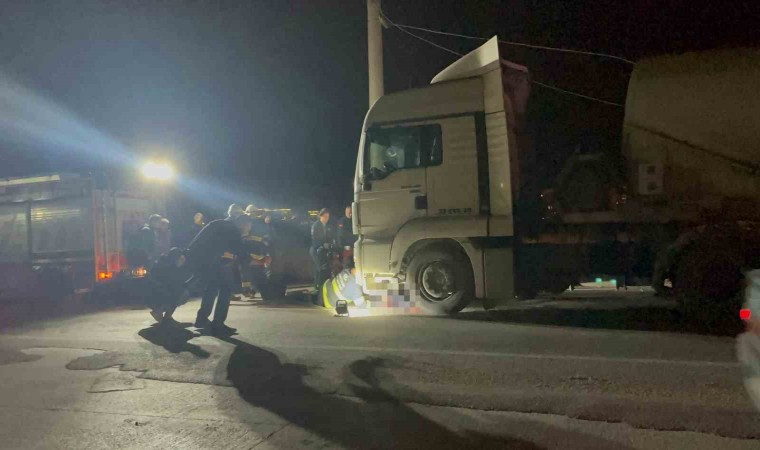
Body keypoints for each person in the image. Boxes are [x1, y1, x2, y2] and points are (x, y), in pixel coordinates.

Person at [186, 214, 252, 336]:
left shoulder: (222, 224)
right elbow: (241, 253)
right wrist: (260, 260)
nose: (249, 229)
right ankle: (218, 324)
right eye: (249, 226)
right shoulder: (232, 230)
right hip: (206, 259)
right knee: (226, 288)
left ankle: (202, 319)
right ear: (243, 224)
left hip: (198, 257)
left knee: (212, 286)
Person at [146, 248, 187, 325]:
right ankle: (160, 312)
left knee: (175, 292)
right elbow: (174, 285)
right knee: (182, 294)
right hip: (156, 296)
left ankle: (165, 315)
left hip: (148, 296)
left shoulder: (161, 262)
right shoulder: (170, 267)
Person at [310, 208, 335, 290]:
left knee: (325, 268)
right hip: (316, 249)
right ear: (320, 216)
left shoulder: (328, 226)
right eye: (325, 216)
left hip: (324, 250)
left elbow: (330, 237)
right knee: (319, 268)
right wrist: (323, 244)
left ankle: (322, 286)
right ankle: (317, 286)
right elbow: (315, 238)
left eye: (328, 217)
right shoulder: (316, 225)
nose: (326, 218)